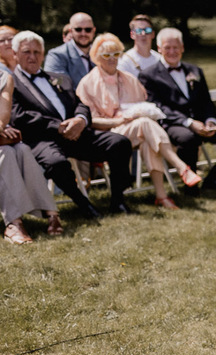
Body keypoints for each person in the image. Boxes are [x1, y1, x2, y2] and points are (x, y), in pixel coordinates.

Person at [9, 30, 133, 217]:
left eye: (37, 52)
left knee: (120, 143)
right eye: (27, 52)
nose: (33, 57)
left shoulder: (59, 78)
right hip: (41, 138)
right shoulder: (11, 83)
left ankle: (118, 200)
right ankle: (83, 204)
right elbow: (18, 117)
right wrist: (57, 127)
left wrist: (80, 120)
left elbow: (81, 104)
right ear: (15, 54)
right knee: (56, 162)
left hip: (76, 134)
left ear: (43, 54)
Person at [76, 32, 202, 210]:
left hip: (137, 130)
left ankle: (161, 196)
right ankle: (181, 167)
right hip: (107, 134)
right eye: (106, 55)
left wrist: (136, 114)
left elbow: (144, 105)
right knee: (145, 125)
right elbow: (90, 120)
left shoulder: (129, 79)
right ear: (96, 57)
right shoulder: (88, 83)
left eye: (116, 54)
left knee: (147, 138)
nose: (112, 59)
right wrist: (119, 120)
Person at [138, 27, 216, 192]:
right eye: (167, 47)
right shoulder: (149, 75)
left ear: (182, 48)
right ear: (159, 49)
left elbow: (206, 101)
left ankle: (214, 177)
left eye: (175, 47)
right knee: (188, 138)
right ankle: (190, 186)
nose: (172, 51)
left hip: (202, 122)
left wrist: (210, 121)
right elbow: (157, 107)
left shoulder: (195, 71)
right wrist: (189, 123)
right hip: (173, 123)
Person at [1, 70, 63, 244]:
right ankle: (14, 223)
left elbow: (4, 115)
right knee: (5, 152)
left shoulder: (4, 78)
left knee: (21, 149)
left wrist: (2, 127)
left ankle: (50, 213)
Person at [43, 12, 96, 86]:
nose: (83, 34)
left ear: (93, 31)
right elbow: (58, 88)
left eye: (88, 30)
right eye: (78, 29)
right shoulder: (56, 56)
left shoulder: (103, 54)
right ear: (71, 31)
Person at [117, 14, 159, 79]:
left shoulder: (160, 59)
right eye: (139, 31)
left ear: (153, 34)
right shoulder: (124, 61)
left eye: (147, 30)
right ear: (132, 34)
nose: (143, 34)